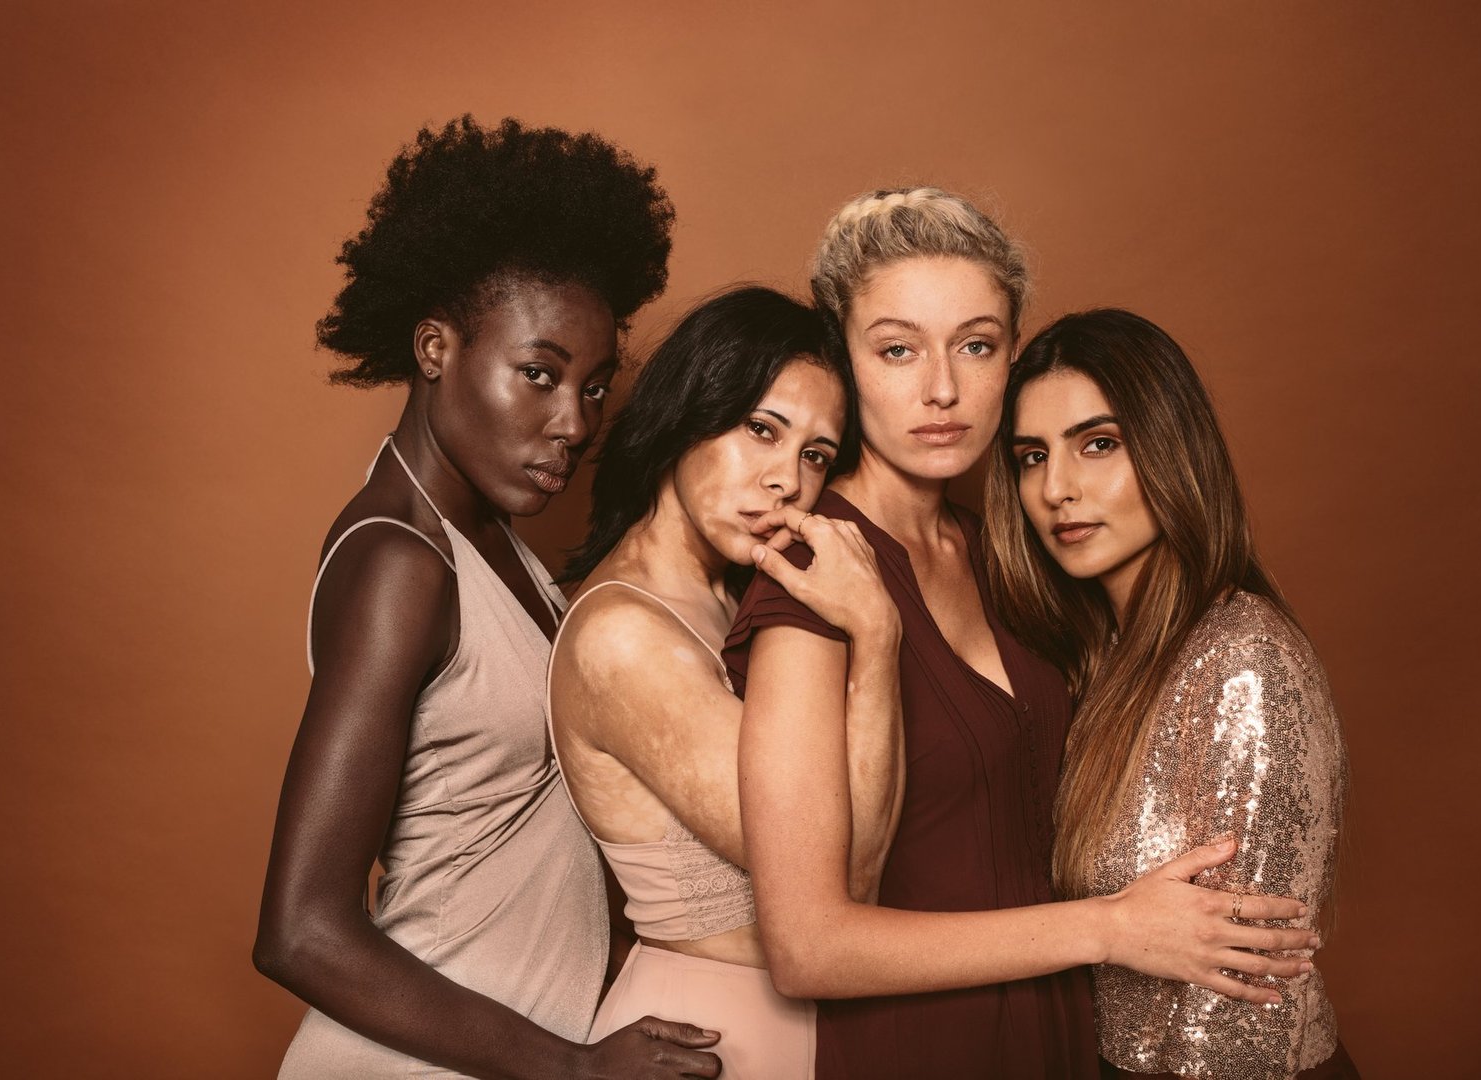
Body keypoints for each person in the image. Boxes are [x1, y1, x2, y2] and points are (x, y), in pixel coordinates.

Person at [724, 189, 1322, 1080]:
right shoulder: (814, 577)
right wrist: (1112, 927)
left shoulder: (1014, 552)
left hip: (1067, 1040)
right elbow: (809, 946)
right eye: (896, 350)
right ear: (842, 363)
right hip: (922, 1049)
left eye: (977, 345)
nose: (942, 389)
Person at [252, 116, 722, 1079]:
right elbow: (300, 929)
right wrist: (575, 1068)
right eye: (538, 375)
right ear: (436, 348)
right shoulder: (401, 562)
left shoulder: (498, 543)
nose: (573, 423)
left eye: (594, 389)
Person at [984, 308, 1357, 1079]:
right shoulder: (1105, 660)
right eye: (1030, 457)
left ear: (1171, 448)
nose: (1057, 489)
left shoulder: (1243, 660)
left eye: (1099, 444)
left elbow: (1242, 1010)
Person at [546, 286, 905, 1079]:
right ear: (687, 413)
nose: (787, 481)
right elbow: (844, 882)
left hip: (788, 1028)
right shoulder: (622, 635)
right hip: (707, 1037)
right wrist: (877, 638)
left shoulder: (733, 598)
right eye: (761, 430)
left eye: (814, 454)